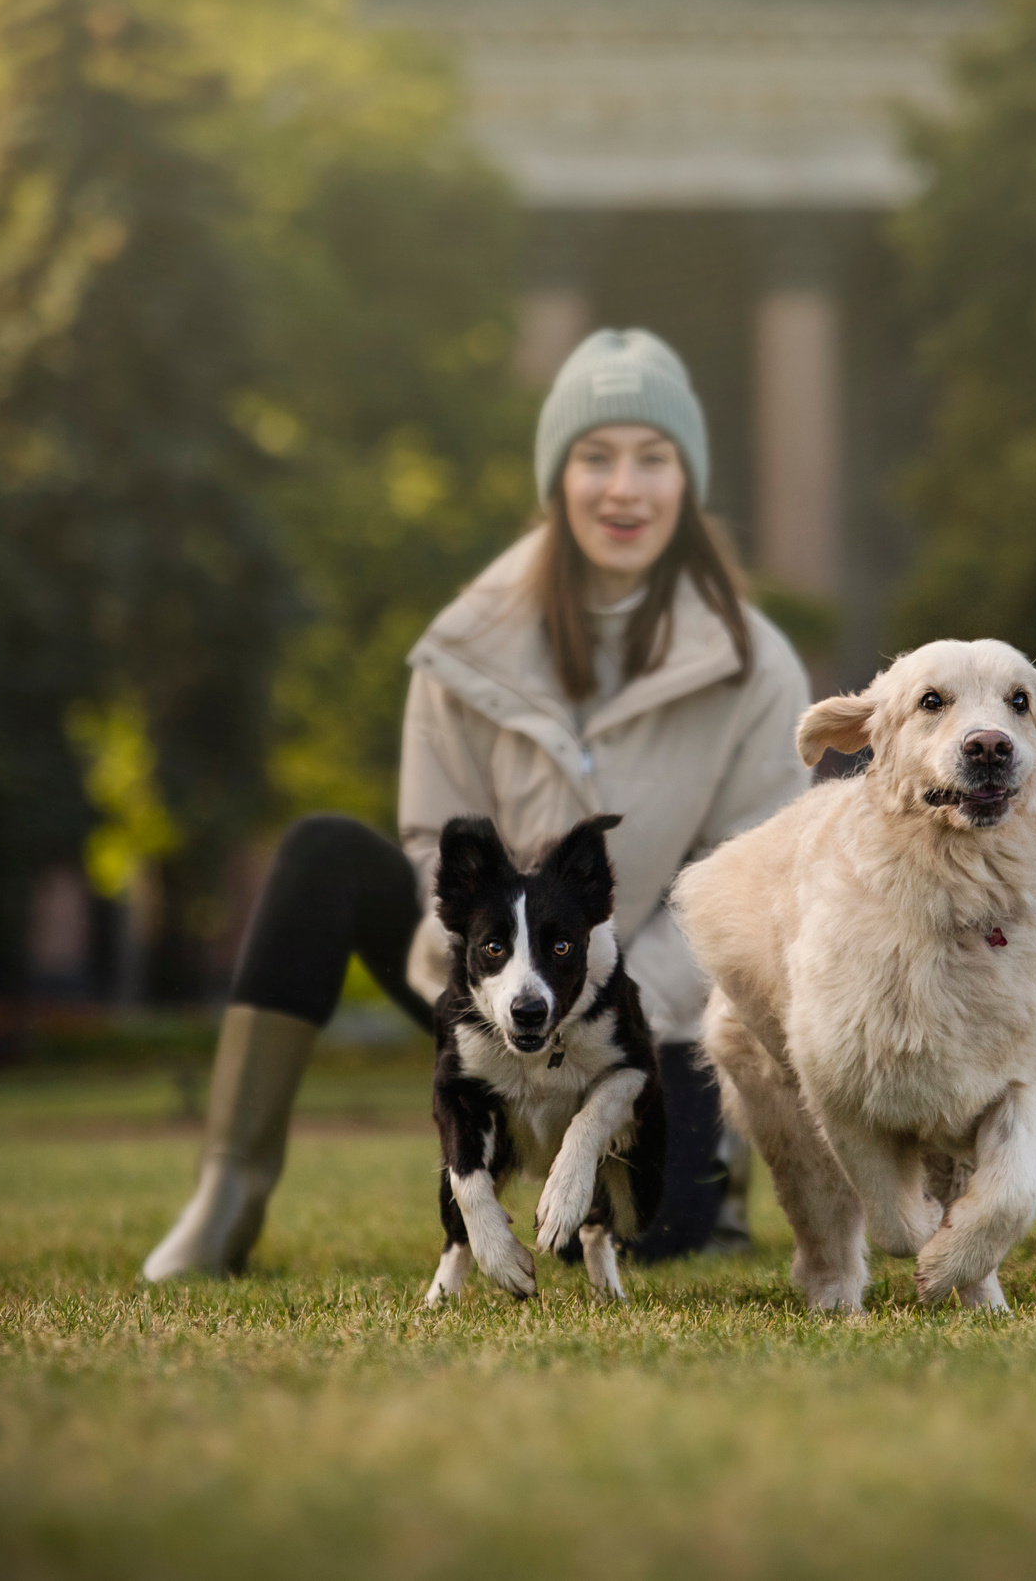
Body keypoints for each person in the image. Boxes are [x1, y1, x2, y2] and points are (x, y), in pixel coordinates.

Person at [144, 328, 812, 1280]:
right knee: (323, 851)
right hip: (491, 986)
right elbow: (431, 841)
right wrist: (489, 984)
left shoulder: (757, 667)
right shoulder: (464, 646)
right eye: (595, 456)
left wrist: (589, 998)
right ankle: (229, 1189)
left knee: (644, 1233)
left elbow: (753, 889)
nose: (624, 486)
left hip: (642, 1025)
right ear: (558, 477)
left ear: (687, 481)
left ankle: (720, 1183)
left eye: (652, 459)